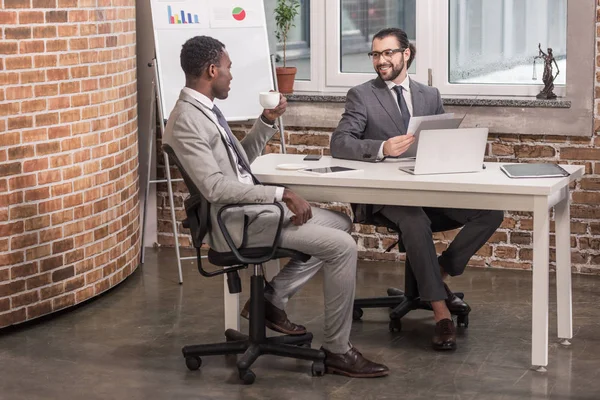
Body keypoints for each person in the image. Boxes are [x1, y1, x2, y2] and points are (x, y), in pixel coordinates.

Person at [163, 35, 388, 378]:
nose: (231, 75)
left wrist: (266, 120)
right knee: (342, 247)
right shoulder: (186, 120)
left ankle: (271, 300)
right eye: (228, 68)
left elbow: (240, 168)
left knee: (340, 223)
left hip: (250, 214)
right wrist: (280, 193)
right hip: (235, 224)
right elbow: (214, 187)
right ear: (212, 70)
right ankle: (338, 350)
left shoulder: (204, 110)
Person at [330, 28, 504, 351]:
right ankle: (440, 313)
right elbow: (339, 143)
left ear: (406, 53)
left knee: (492, 209)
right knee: (414, 221)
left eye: (388, 53)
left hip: (427, 187)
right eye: (375, 55)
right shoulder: (362, 95)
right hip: (386, 197)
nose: (381, 61)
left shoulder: (429, 95)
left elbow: (441, 143)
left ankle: (439, 270)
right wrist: (382, 147)